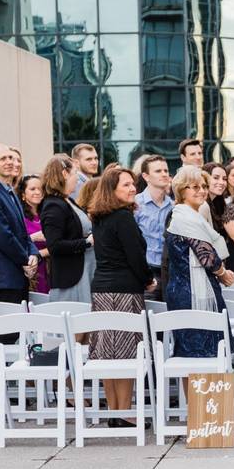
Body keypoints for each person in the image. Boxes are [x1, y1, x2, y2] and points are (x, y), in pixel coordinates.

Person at [87, 167, 156, 428]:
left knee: (108, 352)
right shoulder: (123, 218)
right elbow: (135, 257)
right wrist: (149, 280)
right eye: (126, 185)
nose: (132, 189)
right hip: (124, 290)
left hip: (102, 290)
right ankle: (124, 411)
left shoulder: (99, 217)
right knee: (126, 352)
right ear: (111, 190)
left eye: (132, 184)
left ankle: (114, 411)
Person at [164, 167, 234, 359]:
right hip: (191, 293)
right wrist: (223, 274)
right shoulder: (186, 218)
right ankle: (201, 391)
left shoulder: (188, 215)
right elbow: (207, 257)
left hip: (184, 289)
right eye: (194, 187)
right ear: (181, 190)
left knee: (195, 351)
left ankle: (205, 390)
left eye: (204, 186)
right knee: (198, 352)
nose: (202, 190)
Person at [0, 142, 39, 308]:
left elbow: (23, 233)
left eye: (11, 157)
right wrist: (26, 260)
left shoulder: (9, 191)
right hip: (4, 279)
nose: (9, 161)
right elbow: (3, 236)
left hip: (18, 276)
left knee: (22, 332)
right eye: (3, 158)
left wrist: (33, 255)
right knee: (8, 334)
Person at [40, 154, 95, 303]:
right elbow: (55, 245)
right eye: (75, 173)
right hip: (73, 278)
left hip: (85, 271)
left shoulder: (67, 200)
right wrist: (87, 243)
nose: (77, 179)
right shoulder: (53, 205)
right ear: (64, 174)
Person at [134, 155, 173, 300]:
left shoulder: (174, 206)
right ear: (146, 176)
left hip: (169, 270)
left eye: (166, 170)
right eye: (158, 171)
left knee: (169, 317)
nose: (164, 174)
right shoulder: (135, 205)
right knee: (148, 317)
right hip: (147, 271)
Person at [18, 174, 49, 294]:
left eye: (40, 189)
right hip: (31, 269)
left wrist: (41, 253)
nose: (37, 192)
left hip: (50, 268)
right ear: (23, 195)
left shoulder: (48, 214)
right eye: (32, 189)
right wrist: (34, 237)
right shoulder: (20, 217)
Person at [199, 162, 229, 233]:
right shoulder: (202, 205)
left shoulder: (219, 203)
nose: (221, 182)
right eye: (216, 178)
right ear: (205, 179)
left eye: (224, 179)